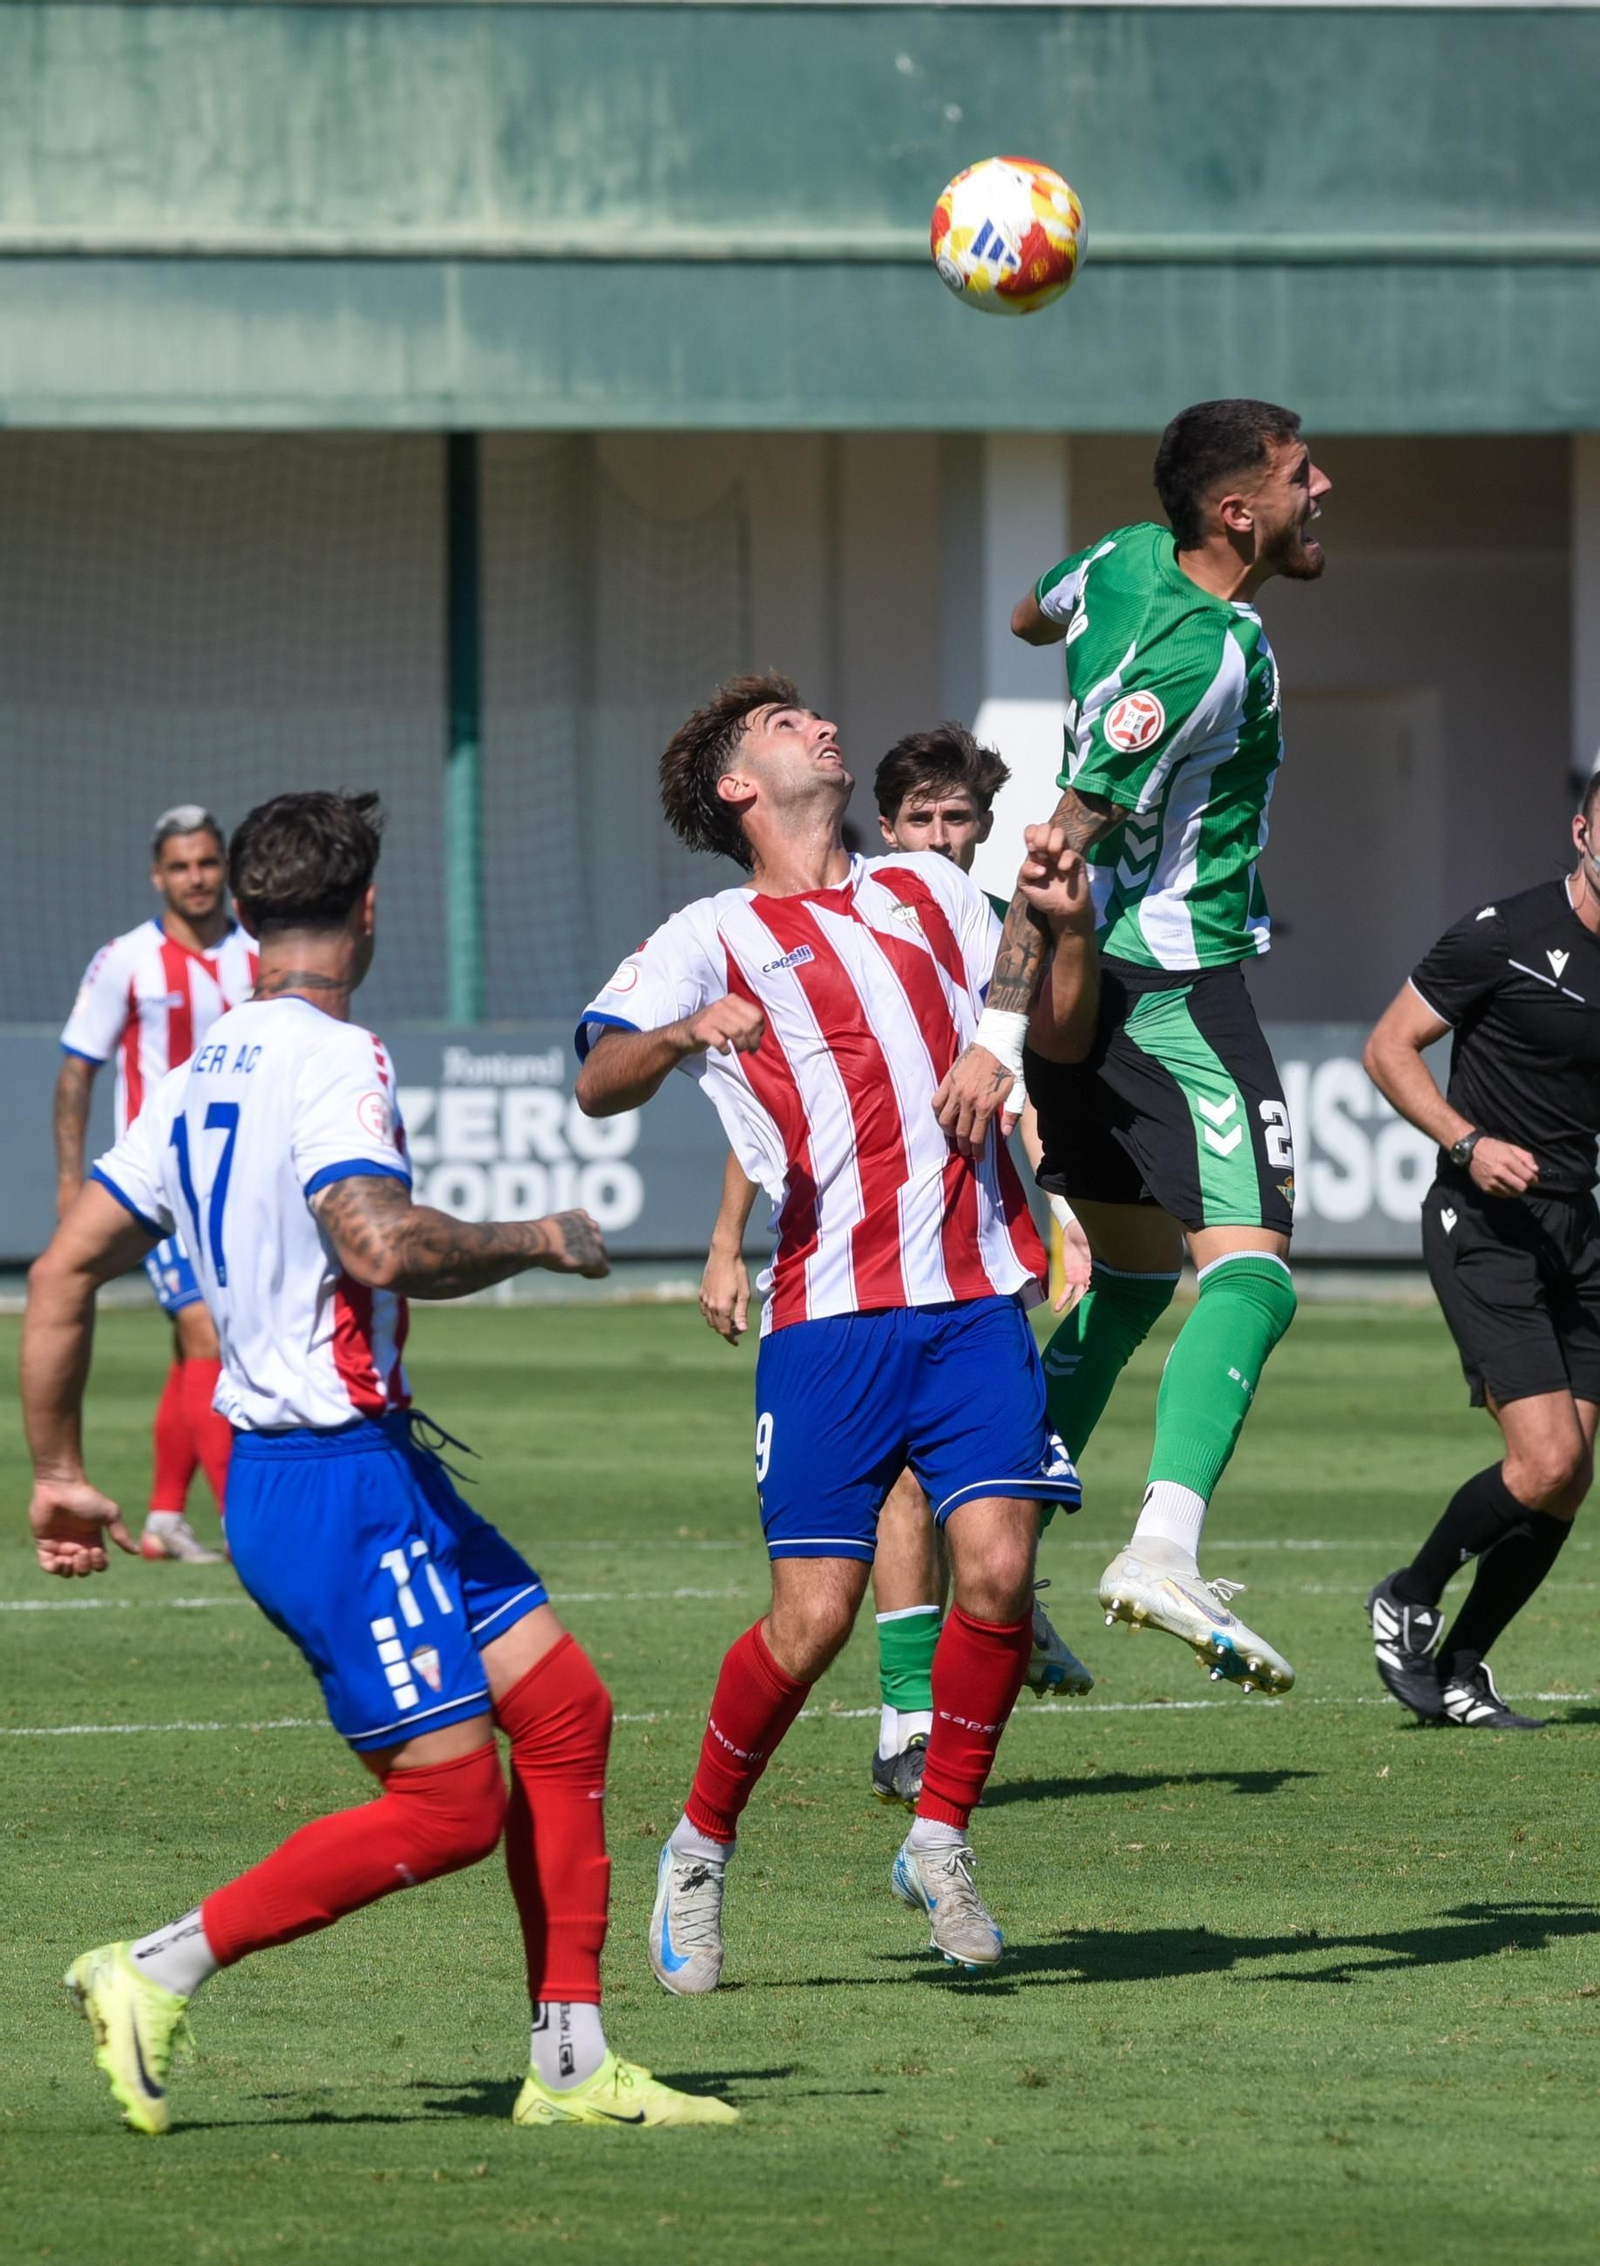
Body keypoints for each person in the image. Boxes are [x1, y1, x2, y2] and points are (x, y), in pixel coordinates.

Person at [24, 790, 735, 2136]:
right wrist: (542, 1236)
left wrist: (58, 1466)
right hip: (329, 1478)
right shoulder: (334, 1056)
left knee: (567, 1710)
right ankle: (153, 1967)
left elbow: (60, 1268)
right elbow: (379, 1244)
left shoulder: (201, 1067)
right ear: (366, 911)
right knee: (454, 1801)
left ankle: (574, 2062)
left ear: (240, 913)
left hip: (355, 1463)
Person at [575, 674, 1093, 1983]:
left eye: (814, 714)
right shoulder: (709, 931)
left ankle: (940, 1833)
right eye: (782, 725)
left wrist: (1021, 1006)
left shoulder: (925, 886)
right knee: (811, 1618)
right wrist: (687, 1027)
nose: (818, 725)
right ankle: (696, 1849)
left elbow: (1036, 975)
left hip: (975, 1292)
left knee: (999, 1568)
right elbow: (595, 1077)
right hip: (828, 1313)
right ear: (739, 785)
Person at [932, 399, 1332, 1697]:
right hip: (1166, 989)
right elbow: (1055, 845)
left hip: (1090, 989)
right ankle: (1163, 1547)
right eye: (1298, 474)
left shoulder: (1113, 558)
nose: (1324, 486)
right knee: (1256, 1273)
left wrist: (1079, 631)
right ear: (1237, 513)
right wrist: (994, 1036)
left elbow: (1030, 616)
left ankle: (992, 1564)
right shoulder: (1202, 651)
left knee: (1131, 1280)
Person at [698, 721, 1094, 1816]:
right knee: (843, 1571)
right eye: (920, 816)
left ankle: (934, 1791)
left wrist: (1063, 1214)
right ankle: (895, 1715)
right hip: (841, 1288)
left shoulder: (952, 910)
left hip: (968, 1270)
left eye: (957, 816)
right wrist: (728, 1240)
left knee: (986, 1541)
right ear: (888, 822)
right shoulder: (747, 930)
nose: (939, 833)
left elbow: (1027, 1078)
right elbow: (773, 1119)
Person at [1362, 785, 1600, 1731]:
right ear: (1582, 831)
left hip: (1578, 1230)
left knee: (1571, 1475)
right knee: (1543, 1462)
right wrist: (1467, 1143)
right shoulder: (1502, 933)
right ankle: (1410, 1591)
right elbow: (1390, 1049)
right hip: (1483, 1223)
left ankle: (1461, 1669)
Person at [55, 805, 257, 1563]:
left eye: (207, 863)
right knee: (206, 1329)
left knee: (191, 1350)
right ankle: (246, 1522)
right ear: (157, 875)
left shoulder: (260, 954)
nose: (196, 878)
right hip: (161, 1184)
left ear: (225, 867)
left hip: (238, 1181)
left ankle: (165, 1517)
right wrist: (73, 1181)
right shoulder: (125, 961)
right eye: (180, 866)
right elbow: (78, 1072)